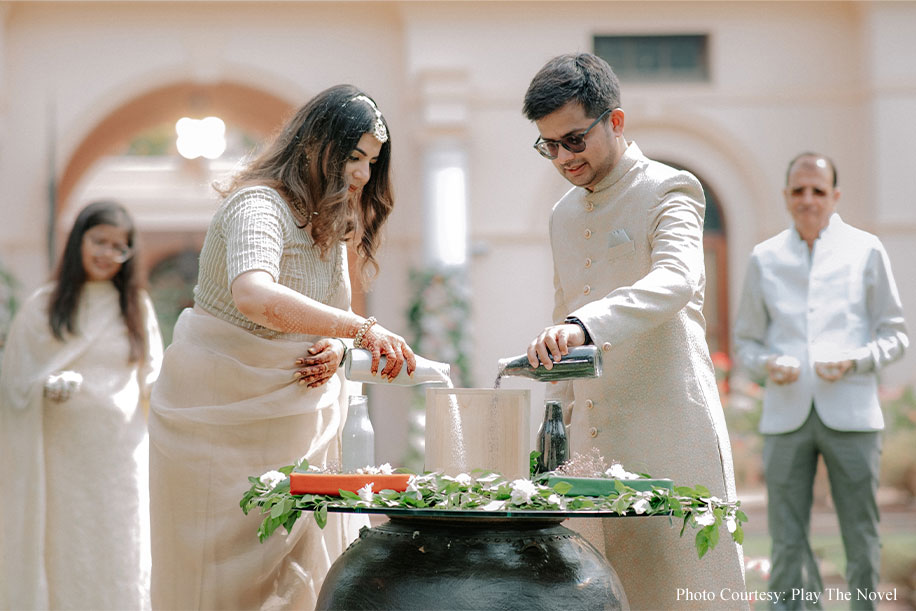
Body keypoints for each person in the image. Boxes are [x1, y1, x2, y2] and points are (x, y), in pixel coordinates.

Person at [148, 84, 417, 610]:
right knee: (216, 581)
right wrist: (361, 332)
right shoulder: (259, 203)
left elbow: (331, 320)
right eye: (354, 157)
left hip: (298, 420)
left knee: (303, 570)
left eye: (371, 161)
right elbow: (254, 294)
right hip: (216, 420)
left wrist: (337, 352)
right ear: (316, 146)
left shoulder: (330, 224)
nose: (363, 174)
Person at [520, 52, 747, 609]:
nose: (563, 158)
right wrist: (553, 431)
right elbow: (562, 317)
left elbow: (676, 280)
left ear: (614, 122)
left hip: (670, 431)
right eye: (549, 146)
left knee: (687, 594)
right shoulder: (562, 215)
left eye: (574, 140)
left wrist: (582, 326)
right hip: (591, 446)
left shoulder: (672, 188)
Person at [734, 153, 908, 609]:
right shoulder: (764, 257)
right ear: (786, 196)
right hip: (785, 416)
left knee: (861, 534)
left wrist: (856, 360)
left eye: (817, 190)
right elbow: (746, 344)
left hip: (852, 415)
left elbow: (896, 335)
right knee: (786, 539)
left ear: (835, 196)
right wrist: (767, 364)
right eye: (798, 190)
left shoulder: (865, 248)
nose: (807, 199)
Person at [0, 200, 163, 610]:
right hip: (60, 465)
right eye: (99, 241)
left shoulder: (136, 309)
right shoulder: (44, 307)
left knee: (121, 548)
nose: (107, 254)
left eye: (118, 246)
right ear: (79, 241)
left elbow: (155, 380)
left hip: (120, 461)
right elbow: (13, 382)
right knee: (65, 550)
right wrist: (43, 385)